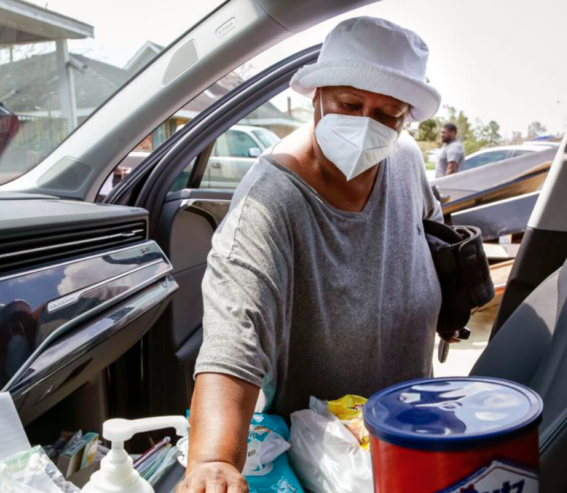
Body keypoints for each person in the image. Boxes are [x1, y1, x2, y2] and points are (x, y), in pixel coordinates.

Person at [177, 17, 445, 493]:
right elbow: (232, 339)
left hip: (408, 423)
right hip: (324, 456)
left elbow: (432, 231)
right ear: (316, 96)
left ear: (405, 119)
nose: (366, 125)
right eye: (350, 104)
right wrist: (214, 460)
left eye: (387, 114)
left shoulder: (404, 159)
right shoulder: (271, 201)